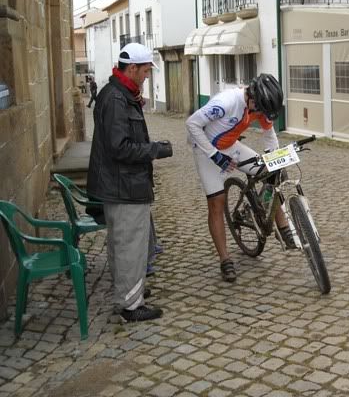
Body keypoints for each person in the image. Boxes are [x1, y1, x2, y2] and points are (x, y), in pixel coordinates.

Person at [87, 42, 173, 322]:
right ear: (132, 68)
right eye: (146, 71)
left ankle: (129, 292)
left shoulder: (120, 94)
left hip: (123, 184)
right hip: (123, 186)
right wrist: (156, 149)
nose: (148, 77)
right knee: (129, 245)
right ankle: (130, 306)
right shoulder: (115, 99)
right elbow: (120, 148)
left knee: (126, 243)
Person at [186, 73, 293, 282]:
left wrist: (274, 158)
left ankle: (283, 228)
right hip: (206, 150)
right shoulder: (226, 102)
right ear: (252, 98)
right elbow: (192, 124)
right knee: (217, 203)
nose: (262, 114)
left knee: (273, 173)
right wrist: (214, 155)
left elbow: (269, 135)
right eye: (260, 109)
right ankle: (225, 259)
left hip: (231, 145)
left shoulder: (261, 105)